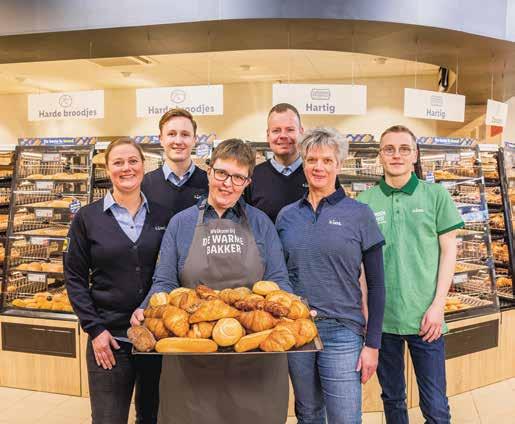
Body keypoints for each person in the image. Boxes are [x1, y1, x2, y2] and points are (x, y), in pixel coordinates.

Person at [132, 139, 293, 424]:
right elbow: (164, 281)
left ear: (247, 182)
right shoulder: (181, 224)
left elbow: (278, 280)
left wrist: (291, 309)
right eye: (221, 173)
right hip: (192, 356)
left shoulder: (261, 223)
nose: (228, 184)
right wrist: (146, 308)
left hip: (254, 355)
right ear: (209, 172)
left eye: (238, 177)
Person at [276, 128, 386, 424]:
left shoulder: (359, 214)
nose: (319, 167)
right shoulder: (287, 216)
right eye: (312, 159)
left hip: (342, 331)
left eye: (327, 160)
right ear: (303, 163)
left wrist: (373, 344)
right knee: (308, 413)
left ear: (339, 165)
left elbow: (376, 284)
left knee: (345, 418)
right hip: (297, 330)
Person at [357, 125, 463, 424]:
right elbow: (360, 266)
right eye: (389, 149)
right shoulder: (364, 202)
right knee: (392, 398)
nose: (397, 155)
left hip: (426, 319)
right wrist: (366, 311)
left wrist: (438, 306)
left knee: (436, 406)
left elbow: (449, 252)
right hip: (382, 320)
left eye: (404, 149)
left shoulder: (436, 195)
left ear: (415, 155)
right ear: (380, 156)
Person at [64, 138, 169, 424]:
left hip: (155, 338)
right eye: (118, 162)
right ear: (107, 168)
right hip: (109, 340)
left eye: (133, 161)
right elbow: (74, 278)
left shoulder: (163, 215)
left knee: (151, 417)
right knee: (108, 418)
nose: (127, 168)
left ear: (143, 165)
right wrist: (95, 329)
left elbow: (169, 272)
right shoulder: (87, 218)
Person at [141, 107, 208, 222]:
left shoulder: (209, 183)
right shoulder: (144, 184)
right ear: (161, 139)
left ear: (194, 140)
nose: (178, 141)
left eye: (185, 134)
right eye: (171, 134)